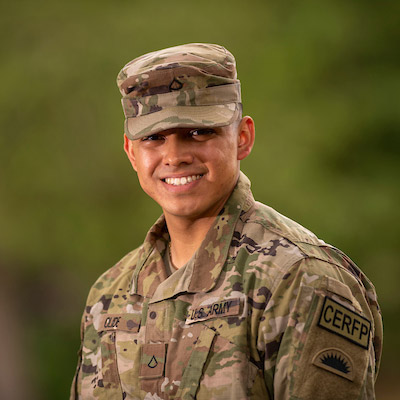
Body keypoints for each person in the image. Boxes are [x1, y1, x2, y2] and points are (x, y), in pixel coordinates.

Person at [70, 43, 383, 400]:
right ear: (131, 152)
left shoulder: (299, 277)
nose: (174, 156)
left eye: (198, 132)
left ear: (242, 138)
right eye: (154, 138)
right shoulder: (110, 293)